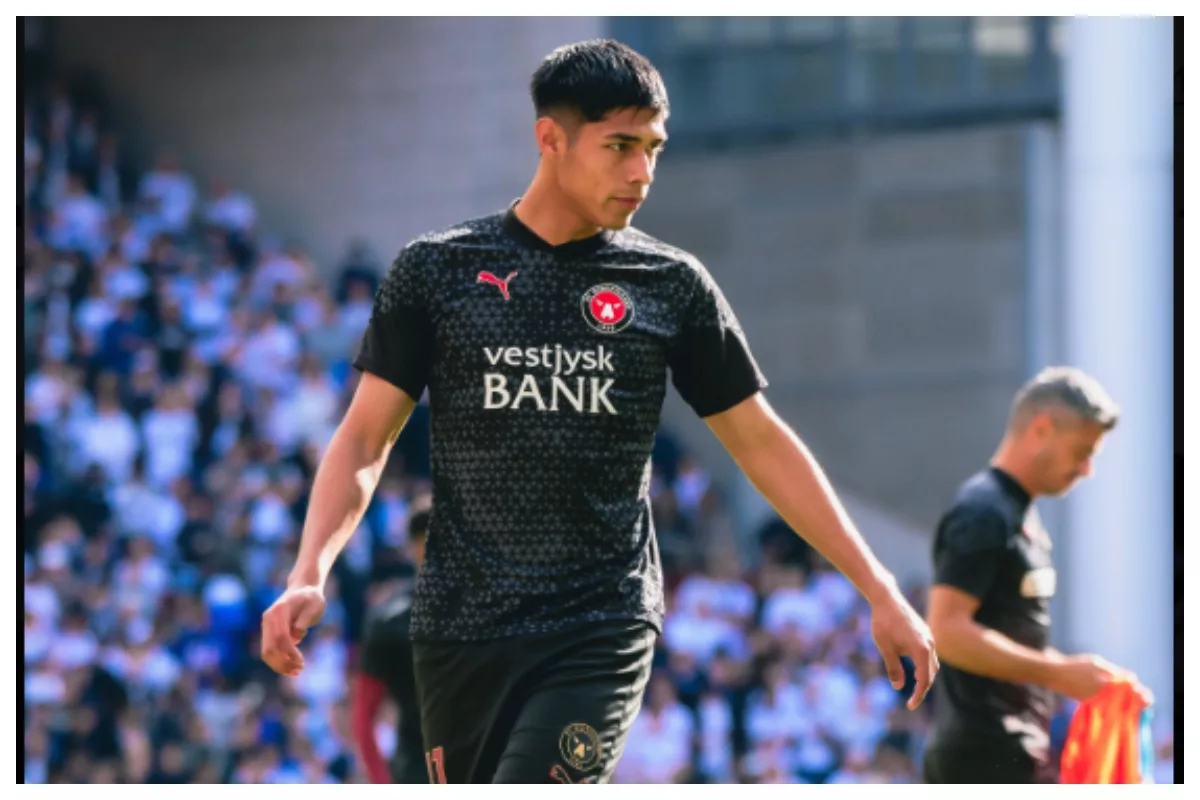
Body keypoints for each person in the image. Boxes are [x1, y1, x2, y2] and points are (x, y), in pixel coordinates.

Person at [260, 38, 935, 784]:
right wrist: (308, 570)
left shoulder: (671, 284)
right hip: (460, 630)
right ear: (550, 139)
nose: (641, 172)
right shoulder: (437, 270)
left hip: (598, 626)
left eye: (652, 148)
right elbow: (363, 438)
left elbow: (762, 443)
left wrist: (879, 590)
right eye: (619, 146)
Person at [923, 366, 1150, 784]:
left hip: (1012, 751)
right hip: (979, 759)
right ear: (1042, 429)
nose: (1086, 470)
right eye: (1082, 452)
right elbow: (947, 631)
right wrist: (1061, 673)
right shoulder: (983, 511)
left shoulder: (1019, 513)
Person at [350, 500, 430, 783]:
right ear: (412, 547)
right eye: (423, 540)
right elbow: (364, 714)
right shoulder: (388, 622)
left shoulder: (488, 611)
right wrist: (381, 782)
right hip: (415, 768)